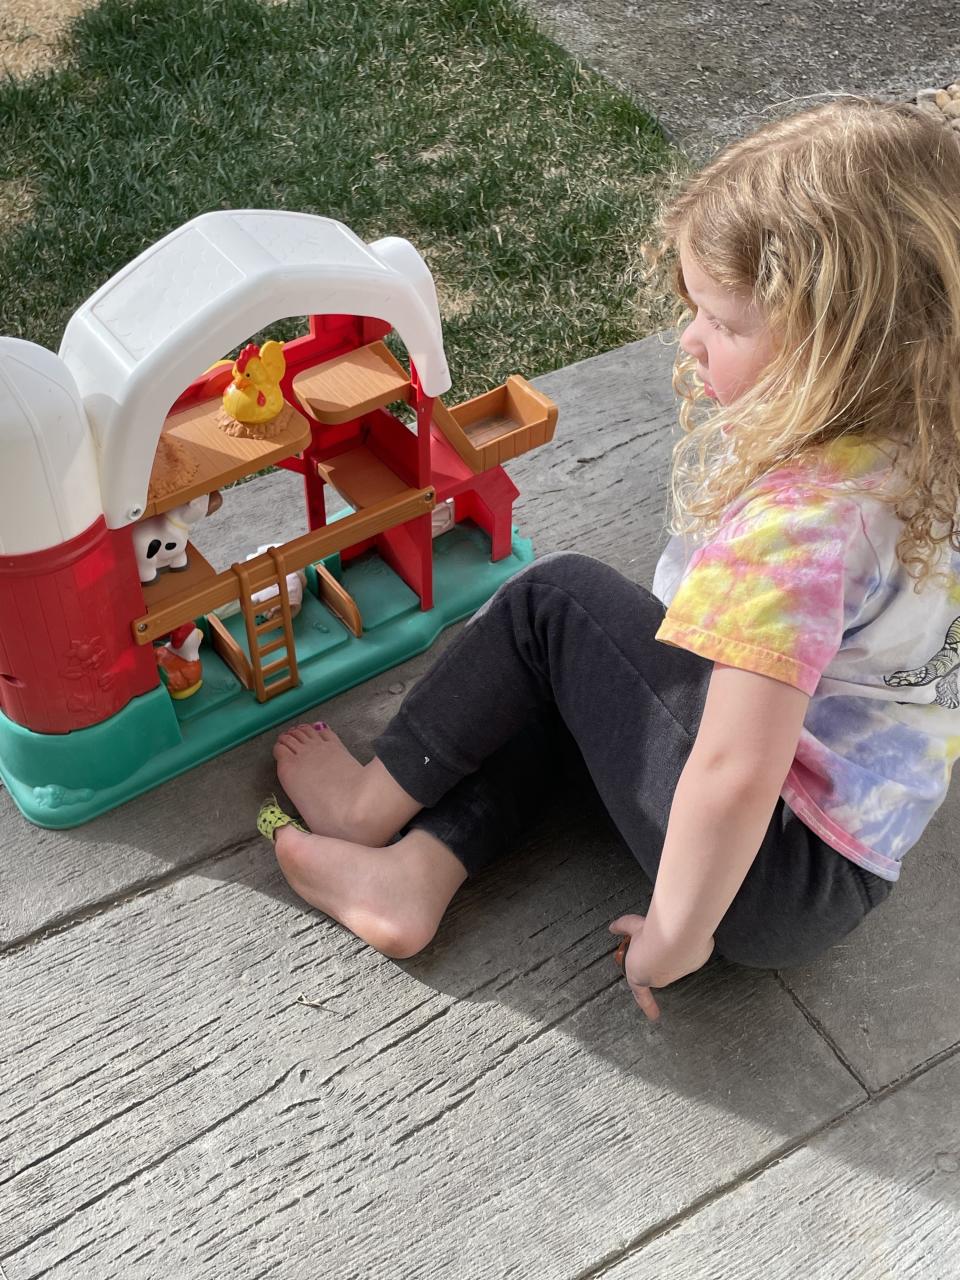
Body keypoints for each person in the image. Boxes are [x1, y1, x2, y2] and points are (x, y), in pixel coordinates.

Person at [257, 97, 960, 1020]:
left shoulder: (804, 524)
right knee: (589, 676)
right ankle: (414, 876)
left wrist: (680, 931)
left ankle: (364, 808)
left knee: (559, 608)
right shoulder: (933, 432)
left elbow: (733, 771)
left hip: (752, 867)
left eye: (722, 320)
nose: (690, 338)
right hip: (847, 868)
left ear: (838, 343)